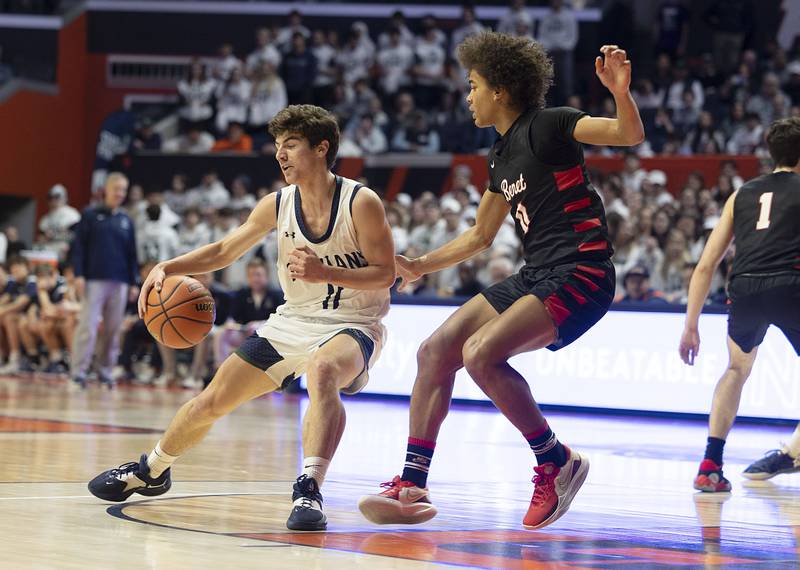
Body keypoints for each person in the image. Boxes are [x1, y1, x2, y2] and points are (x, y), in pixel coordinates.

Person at [358, 32, 644, 530]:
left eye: (473, 86)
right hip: (537, 273)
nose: (468, 96)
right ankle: (412, 483)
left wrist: (620, 91)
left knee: (479, 354)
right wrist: (420, 264)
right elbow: (480, 235)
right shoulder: (499, 154)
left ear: (501, 91)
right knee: (435, 351)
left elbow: (627, 135)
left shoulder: (552, 124)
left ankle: (555, 460)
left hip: (583, 270)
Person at [87, 105, 396, 532]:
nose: (280, 155)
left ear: (321, 148)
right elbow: (224, 250)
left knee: (324, 369)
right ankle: (152, 470)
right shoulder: (277, 203)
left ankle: (308, 488)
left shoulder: (361, 202)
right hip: (292, 321)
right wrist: (169, 267)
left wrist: (326, 272)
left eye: (290, 145)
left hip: (354, 322)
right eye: (277, 146)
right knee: (211, 401)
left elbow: (386, 272)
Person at [680, 117, 800, 492]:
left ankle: (710, 465)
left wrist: (691, 324)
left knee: (736, 369)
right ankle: (792, 453)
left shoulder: (742, 194)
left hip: (744, 289)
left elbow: (706, 264)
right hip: (791, 284)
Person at [70, 172, 139, 388]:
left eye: (123, 190)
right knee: (88, 327)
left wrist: (134, 281)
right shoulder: (90, 215)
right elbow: (78, 247)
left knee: (113, 329)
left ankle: (106, 371)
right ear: (106, 190)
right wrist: (79, 274)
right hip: (94, 279)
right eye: (116, 189)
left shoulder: (126, 220)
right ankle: (78, 372)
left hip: (120, 281)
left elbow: (132, 254)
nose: (120, 193)